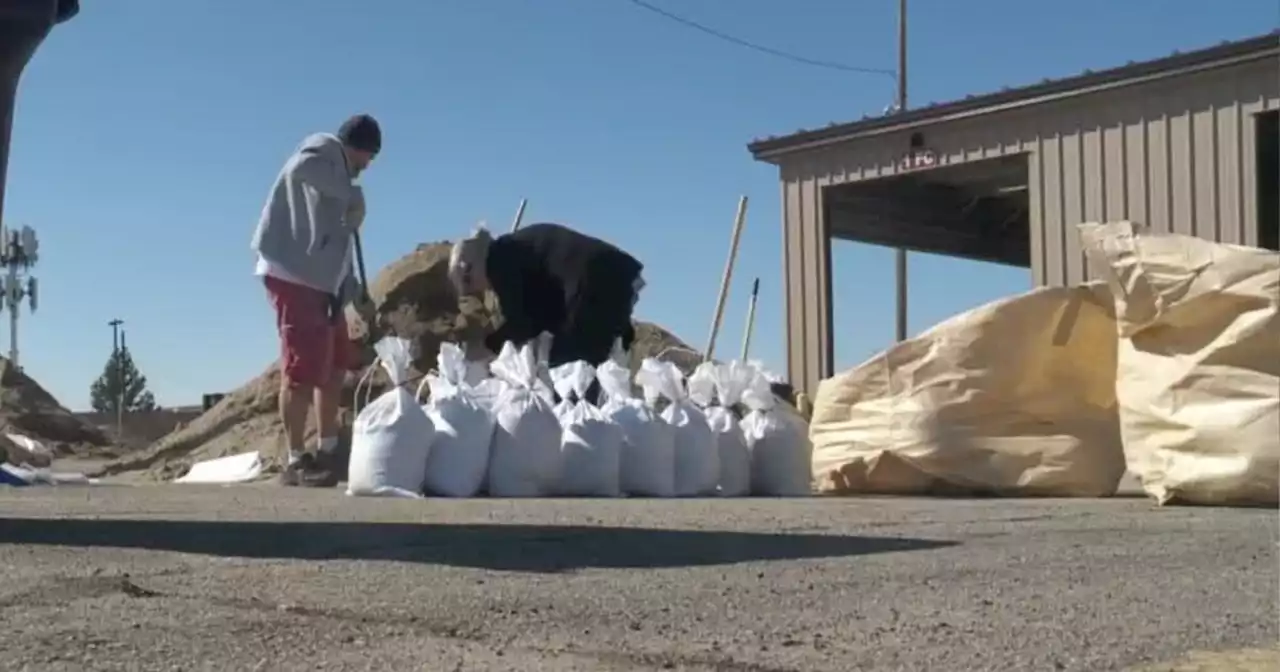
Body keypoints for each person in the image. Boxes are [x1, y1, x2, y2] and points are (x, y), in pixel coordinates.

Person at [250, 114, 381, 487]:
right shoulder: (324, 149)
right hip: (294, 274)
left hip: (324, 284)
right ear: (358, 148)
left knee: (336, 364)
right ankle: (295, 460)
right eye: (368, 158)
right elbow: (300, 167)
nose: (366, 167)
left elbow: (336, 249)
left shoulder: (338, 179)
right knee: (302, 369)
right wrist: (350, 194)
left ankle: (328, 448)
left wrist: (355, 293)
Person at [448, 222, 645, 399]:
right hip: (615, 277)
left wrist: (487, 349)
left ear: (470, 266)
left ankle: (580, 425)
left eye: (469, 283)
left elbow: (523, 323)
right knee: (587, 367)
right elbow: (543, 314)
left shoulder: (499, 260)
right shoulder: (516, 248)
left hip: (591, 287)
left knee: (570, 373)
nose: (478, 289)